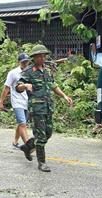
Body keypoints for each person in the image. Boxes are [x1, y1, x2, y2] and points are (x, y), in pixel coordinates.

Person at [16, 44, 74, 172]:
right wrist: (25, 86)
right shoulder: (28, 72)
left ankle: (28, 146)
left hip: (48, 107)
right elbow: (18, 86)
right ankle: (41, 162)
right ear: (34, 58)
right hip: (36, 109)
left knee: (48, 133)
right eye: (39, 56)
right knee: (41, 136)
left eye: (44, 56)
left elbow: (53, 85)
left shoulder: (47, 71)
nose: (42, 58)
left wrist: (64, 96)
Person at [0, 52, 32, 150]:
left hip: (27, 101)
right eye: (23, 62)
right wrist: (1, 102)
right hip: (17, 102)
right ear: (19, 62)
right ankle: (28, 146)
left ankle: (15, 142)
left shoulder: (30, 72)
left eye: (27, 62)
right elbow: (6, 88)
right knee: (22, 124)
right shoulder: (13, 73)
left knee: (22, 123)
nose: (25, 64)